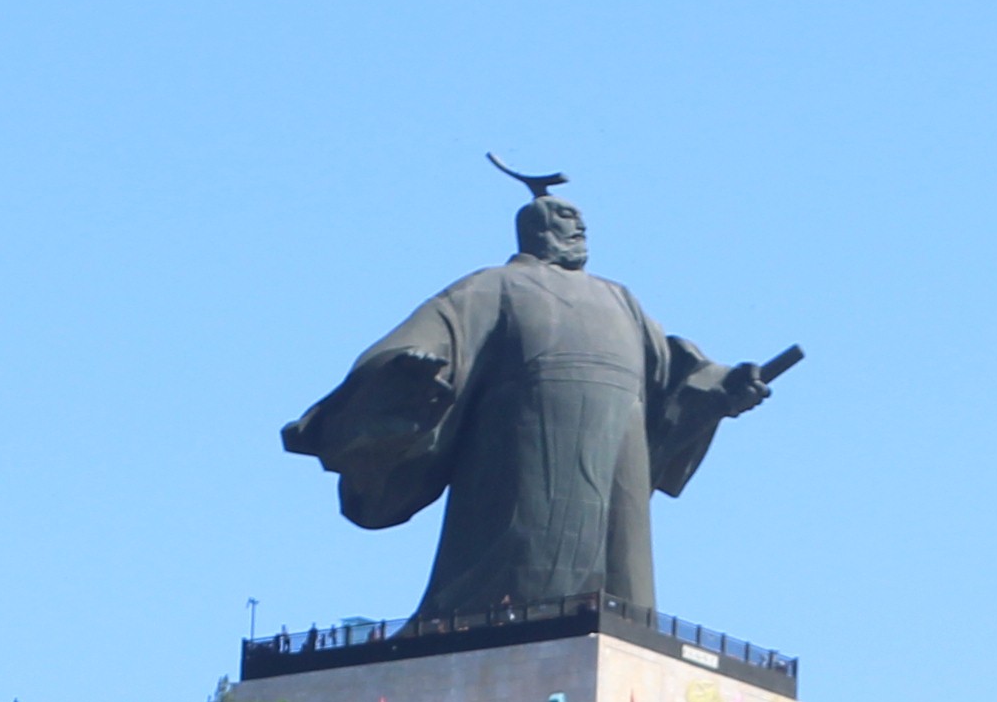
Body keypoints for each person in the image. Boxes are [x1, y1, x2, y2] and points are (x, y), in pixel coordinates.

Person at [280, 176, 795, 626]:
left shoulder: (619, 297)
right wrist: (408, 372)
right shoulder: (492, 286)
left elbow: (674, 371)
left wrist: (725, 385)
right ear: (534, 230)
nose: (580, 229)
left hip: (618, 438)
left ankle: (620, 624)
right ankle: (489, 619)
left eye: (582, 222)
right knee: (519, 546)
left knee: (621, 566)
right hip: (525, 438)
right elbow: (426, 338)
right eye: (567, 219)